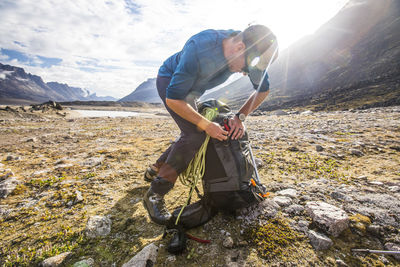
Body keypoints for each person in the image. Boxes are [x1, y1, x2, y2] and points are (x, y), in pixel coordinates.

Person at [143, 24, 279, 225]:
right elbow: (174, 99)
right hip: (170, 82)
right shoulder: (200, 47)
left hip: (194, 91)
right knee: (195, 135)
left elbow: (262, 90)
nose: (244, 74)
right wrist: (206, 125)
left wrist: (239, 116)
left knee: (191, 132)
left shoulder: (252, 55)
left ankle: (156, 168)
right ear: (240, 47)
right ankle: (155, 194)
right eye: (245, 68)